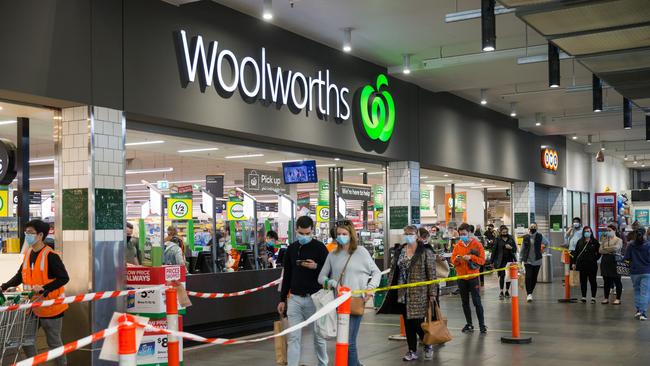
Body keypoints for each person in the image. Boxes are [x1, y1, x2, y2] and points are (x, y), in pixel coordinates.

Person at [0, 219, 69, 365]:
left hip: (51, 307)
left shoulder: (51, 256)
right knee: (25, 339)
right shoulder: (29, 253)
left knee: (54, 343)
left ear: (40, 235)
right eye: (26, 232)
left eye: (31, 233)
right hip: (33, 306)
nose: (27, 235)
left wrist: (46, 288)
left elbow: (64, 278)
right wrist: (4, 286)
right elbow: (20, 275)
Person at [318, 221, 381, 366]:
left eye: (344, 234)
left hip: (355, 302)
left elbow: (376, 272)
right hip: (337, 303)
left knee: (349, 341)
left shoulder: (361, 252)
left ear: (351, 235)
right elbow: (321, 277)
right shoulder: (332, 254)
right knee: (342, 341)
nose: (341, 236)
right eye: (339, 234)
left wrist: (371, 288)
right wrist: (334, 283)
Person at [378, 225, 437, 361]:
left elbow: (432, 274)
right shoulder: (400, 250)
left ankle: (428, 342)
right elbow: (394, 269)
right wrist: (390, 286)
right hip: (402, 292)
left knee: (417, 322)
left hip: (419, 293)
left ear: (417, 235)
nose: (408, 235)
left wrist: (432, 293)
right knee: (407, 322)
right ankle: (412, 350)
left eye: (410, 233)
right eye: (406, 233)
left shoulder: (425, 252)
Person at [278, 216, 329, 366]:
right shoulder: (291, 249)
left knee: (318, 336)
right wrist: (282, 299)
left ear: (312, 231)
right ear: (296, 230)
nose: (305, 236)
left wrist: (316, 267)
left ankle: (323, 364)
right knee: (294, 337)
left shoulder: (320, 248)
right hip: (294, 299)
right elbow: (287, 275)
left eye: (307, 233)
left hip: (315, 299)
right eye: (302, 233)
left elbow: (328, 272)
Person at [452, 222, 486, 334]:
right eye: (460, 234)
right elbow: (453, 262)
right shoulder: (457, 246)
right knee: (464, 302)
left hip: (473, 277)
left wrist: (471, 257)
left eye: (464, 234)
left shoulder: (477, 245)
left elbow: (482, 261)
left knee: (477, 302)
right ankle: (469, 324)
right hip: (461, 278)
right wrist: (457, 259)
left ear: (469, 233)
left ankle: (482, 325)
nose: (462, 236)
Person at [624, 227, 650, 320]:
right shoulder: (648, 245)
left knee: (637, 291)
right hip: (647, 271)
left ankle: (638, 310)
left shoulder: (630, 245)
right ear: (644, 234)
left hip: (634, 271)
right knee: (645, 292)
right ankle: (643, 313)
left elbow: (626, 258)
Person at [571, 226, 601, 303]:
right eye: (585, 231)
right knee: (583, 281)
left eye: (588, 231)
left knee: (592, 281)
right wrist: (574, 263)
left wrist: (595, 258)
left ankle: (593, 297)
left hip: (592, 265)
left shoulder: (595, 242)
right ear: (583, 232)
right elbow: (576, 253)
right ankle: (583, 296)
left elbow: (599, 253)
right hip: (581, 264)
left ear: (591, 232)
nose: (587, 233)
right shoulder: (580, 241)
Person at [520, 223, 548, 302]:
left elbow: (547, 243)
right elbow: (522, 249)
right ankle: (529, 294)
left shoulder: (540, 236)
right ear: (529, 228)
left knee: (534, 278)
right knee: (528, 277)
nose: (533, 228)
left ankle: (530, 292)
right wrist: (520, 260)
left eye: (534, 227)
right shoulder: (526, 237)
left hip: (537, 261)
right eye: (531, 227)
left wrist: (544, 251)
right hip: (528, 261)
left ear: (537, 228)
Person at [491, 225, 517, 299]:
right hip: (501, 261)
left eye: (506, 232)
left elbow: (515, 249)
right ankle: (501, 291)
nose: (505, 233)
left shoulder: (511, 238)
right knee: (502, 276)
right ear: (500, 232)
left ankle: (507, 291)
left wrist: (511, 247)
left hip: (509, 260)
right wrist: (491, 261)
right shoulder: (498, 239)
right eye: (503, 232)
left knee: (508, 276)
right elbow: (494, 250)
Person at [599, 224, 623, 305]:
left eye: (609, 230)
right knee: (606, 281)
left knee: (617, 280)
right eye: (607, 230)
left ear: (614, 230)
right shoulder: (605, 240)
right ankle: (606, 298)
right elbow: (600, 250)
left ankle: (618, 298)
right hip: (605, 261)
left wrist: (606, 249)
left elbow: (617, 248)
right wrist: (610, 249)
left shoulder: (619, 240)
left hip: (615, 262)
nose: (608, 232)